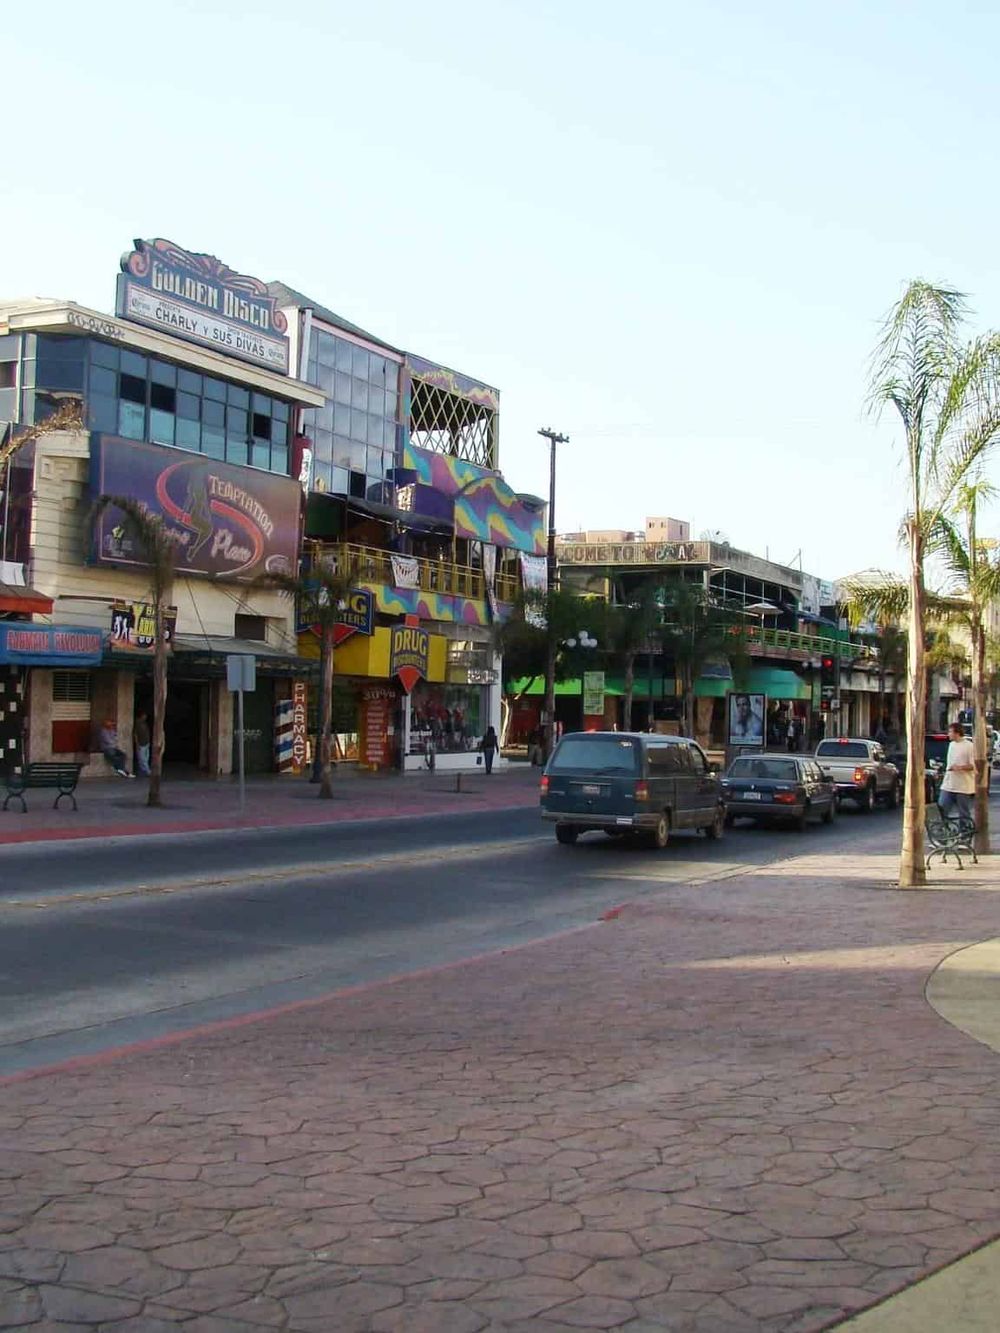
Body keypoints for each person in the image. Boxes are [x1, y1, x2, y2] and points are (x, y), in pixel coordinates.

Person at [940, 721, 975, 822]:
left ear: (957, 733)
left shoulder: (969, 746)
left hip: (963, 786)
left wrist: (959, 767)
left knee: (963, 812)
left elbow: (972, 765)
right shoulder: (951, 745)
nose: (948, 734)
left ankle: (964, 829)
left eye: (950, 732)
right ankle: (943, 828)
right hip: (948, 784)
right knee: (942, 807)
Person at [134, 710, 151, 776]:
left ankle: (142, 771)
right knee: (142, 758)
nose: (145, 717)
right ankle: (147, 771)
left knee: (146, 758)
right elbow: (135, 734)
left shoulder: (144, 723)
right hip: (141, 743)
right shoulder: (138, 723)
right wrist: (137, 743)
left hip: (146, 742)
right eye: (144, 715)